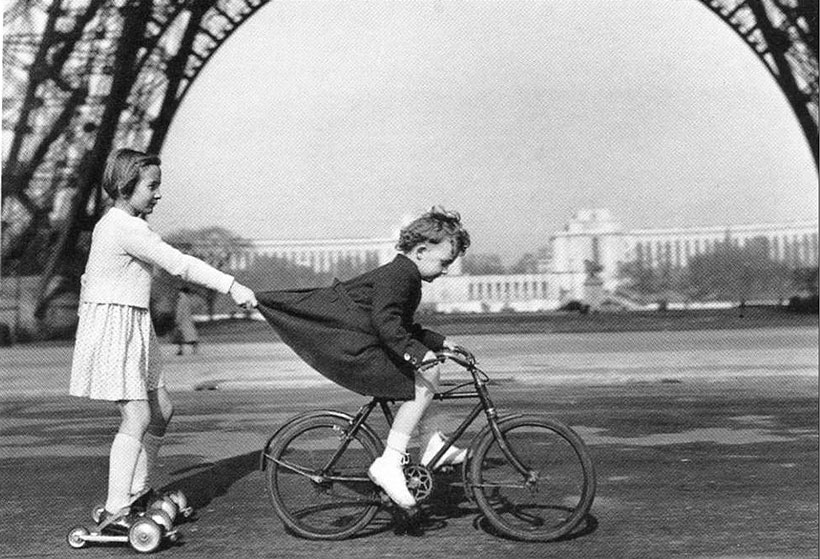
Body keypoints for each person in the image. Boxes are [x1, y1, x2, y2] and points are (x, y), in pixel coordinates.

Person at [69, 148, 257, 532]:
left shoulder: (124, 224)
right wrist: (231, 285)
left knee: (162, 410)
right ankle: (115, 508)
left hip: (132, 322)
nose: (158, 194)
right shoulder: (122, 226)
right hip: (114, 325)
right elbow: (178, 263)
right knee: (137, 415)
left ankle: (135, 492)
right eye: (152, 186)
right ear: (126, 185)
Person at [256, 207, 470, 510]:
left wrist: (441, 343)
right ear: (421, 251)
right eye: (445, 262)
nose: (447, 269)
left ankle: (431, 441)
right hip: (355, 350)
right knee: (427, 375)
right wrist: (422, 355)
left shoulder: (404, 275)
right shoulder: (400, 276)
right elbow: (387, 324)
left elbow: (403, 327)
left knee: (427, 372)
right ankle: (391, 462)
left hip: (360, 343)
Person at [173, 286, 199, 355]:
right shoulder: (188, 299)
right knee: (191, 335)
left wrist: (177, 320)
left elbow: (179, 311)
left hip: (182, 321)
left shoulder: (181, 299)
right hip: (188, 319)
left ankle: (180, 350)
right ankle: (194, 350)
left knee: (181, 336)